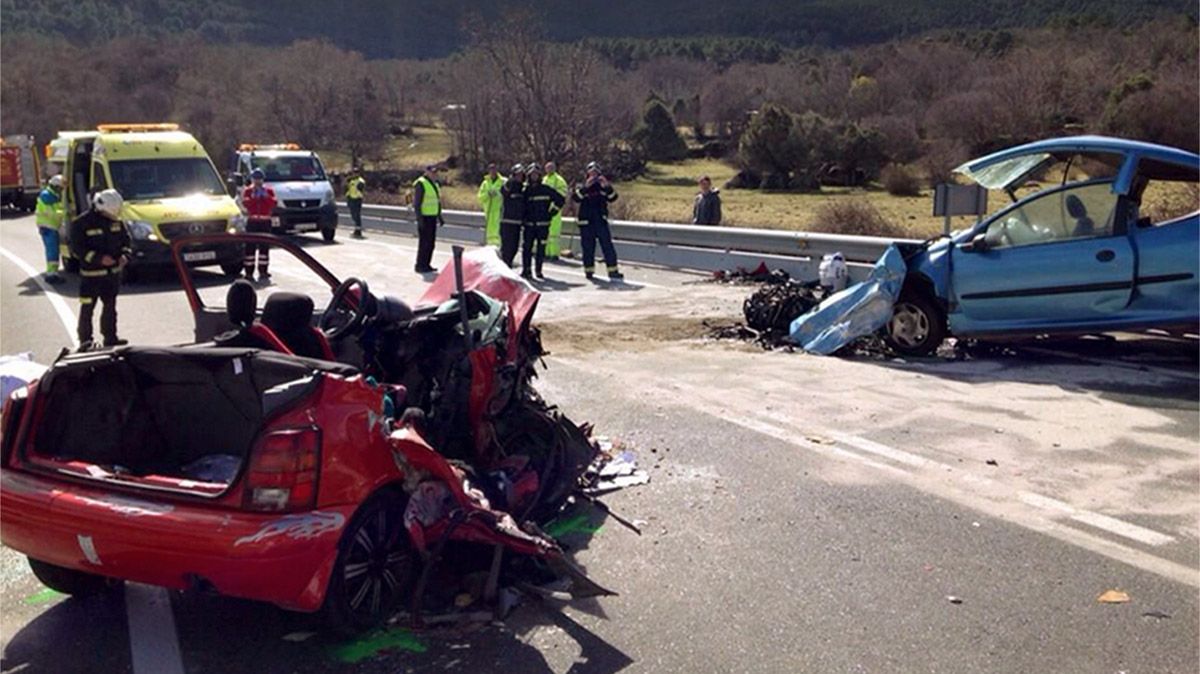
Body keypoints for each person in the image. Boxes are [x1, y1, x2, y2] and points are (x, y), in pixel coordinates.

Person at [69, 189, 131, 349]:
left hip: (112, 276)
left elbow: (126, 242)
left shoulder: (116, 221)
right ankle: (85, 341)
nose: (112, 217)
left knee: (110, 307)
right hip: (91, 277)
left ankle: (110, 338)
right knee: (87, 308)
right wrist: (98, 258)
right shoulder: (81, 223)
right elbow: (77, 248)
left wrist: (125, 255)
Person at [572, 161, 623, 280]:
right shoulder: (582, 186)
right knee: (588, 248)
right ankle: (589, 271)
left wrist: (607, 186)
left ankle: (613, 271)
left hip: (600, 220)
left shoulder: (603, 186)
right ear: (587, 173)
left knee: (607, 246)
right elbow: (576, 198)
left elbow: (613, 198)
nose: (594, 175)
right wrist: (586, 187)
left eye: (596, 173)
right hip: (586, 222)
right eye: (591, 172)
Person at [520, 163, 564, 280]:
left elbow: (560, 200)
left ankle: (538, 271)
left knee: (541, 249)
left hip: (543, 225)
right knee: (527, 248)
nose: (534, 177)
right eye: (532, 175)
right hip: (529, 225)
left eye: (536, 174)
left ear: (539, 176)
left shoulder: (546, 189)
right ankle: (526, 270)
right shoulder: (525, 191)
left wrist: (551, 213)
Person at [241, 168, 277, 282]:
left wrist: (265, 196)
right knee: (250, 249)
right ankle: (249, 272)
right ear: (252, 179)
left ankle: (263, 271)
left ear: (262, 180)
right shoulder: (248, 191)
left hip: (265, 222)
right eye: (255, 179)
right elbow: (245, 203)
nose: (257, 182)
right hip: (253, 222)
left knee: (264, 248)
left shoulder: (269, 190)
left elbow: (274, 203)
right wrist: (254, 197)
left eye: (259, 179)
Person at [34, 174, 66, 285]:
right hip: (49, 226)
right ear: (56, 186)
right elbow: (52, 213)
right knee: (52, 251)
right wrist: (65, 213)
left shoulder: (50, 195)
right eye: (61, 188)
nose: (61, 190)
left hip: (49, 226)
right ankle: (51, 274)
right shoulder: (48, 196)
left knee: (53, 250)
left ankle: (53, 273)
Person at [412, 164, 443, 273]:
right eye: (432, 172)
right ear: (427, 172)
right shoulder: (421, 183)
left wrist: (439, 215)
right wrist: (419, 219)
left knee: (431, 243)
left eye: (436, 172)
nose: (435, 174)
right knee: (424, 243)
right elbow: (417, 203)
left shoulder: (435, 184)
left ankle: (427, 264)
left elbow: (437, 201)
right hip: (424, 218)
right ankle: (420, 265)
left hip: (432, 217)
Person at [499, 164, 526, 267]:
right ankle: (504, 266)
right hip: (506, 222)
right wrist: (510, 182)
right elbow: (503, 191)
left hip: (517, 223)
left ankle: (508, 263)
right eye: (517, 175)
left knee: (514, 247)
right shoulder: (509, 185)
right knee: (506, 247)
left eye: (521, 175)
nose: (519, 177)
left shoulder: (523, 189)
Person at [542, 161, 568, 260]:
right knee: (545, 232)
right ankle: (545, 252)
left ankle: (554, 254)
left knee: (554, 233)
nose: (549, 170)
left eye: (550, 168)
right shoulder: (544, 179)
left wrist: (556, 204)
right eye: (547, 168)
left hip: (555, 209)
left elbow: (563, 192)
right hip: (544, 209)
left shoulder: (559, 180)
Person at [477, 162, 504, 248]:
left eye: (494, 169)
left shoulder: (503, 181)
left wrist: (497, 193)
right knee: (489, 232)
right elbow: (480, 197)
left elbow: (506, 195)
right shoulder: (485, 183)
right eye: (491, 170)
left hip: (499, 211)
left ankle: (499, 248)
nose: (493, 172)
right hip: (488, 211)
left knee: (498, 231)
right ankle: (490, 247)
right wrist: (488, 194)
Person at [346, 166, 367, 239]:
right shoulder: (351, 180)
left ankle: (358, 231)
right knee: (353, 215)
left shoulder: (360, 181)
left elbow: (361, 187)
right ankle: (356, 228)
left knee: (357, 215)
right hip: (351, 199)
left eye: (356, 173)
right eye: (354, 172)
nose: (355, 174)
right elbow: (348, 189)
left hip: (357, 199)